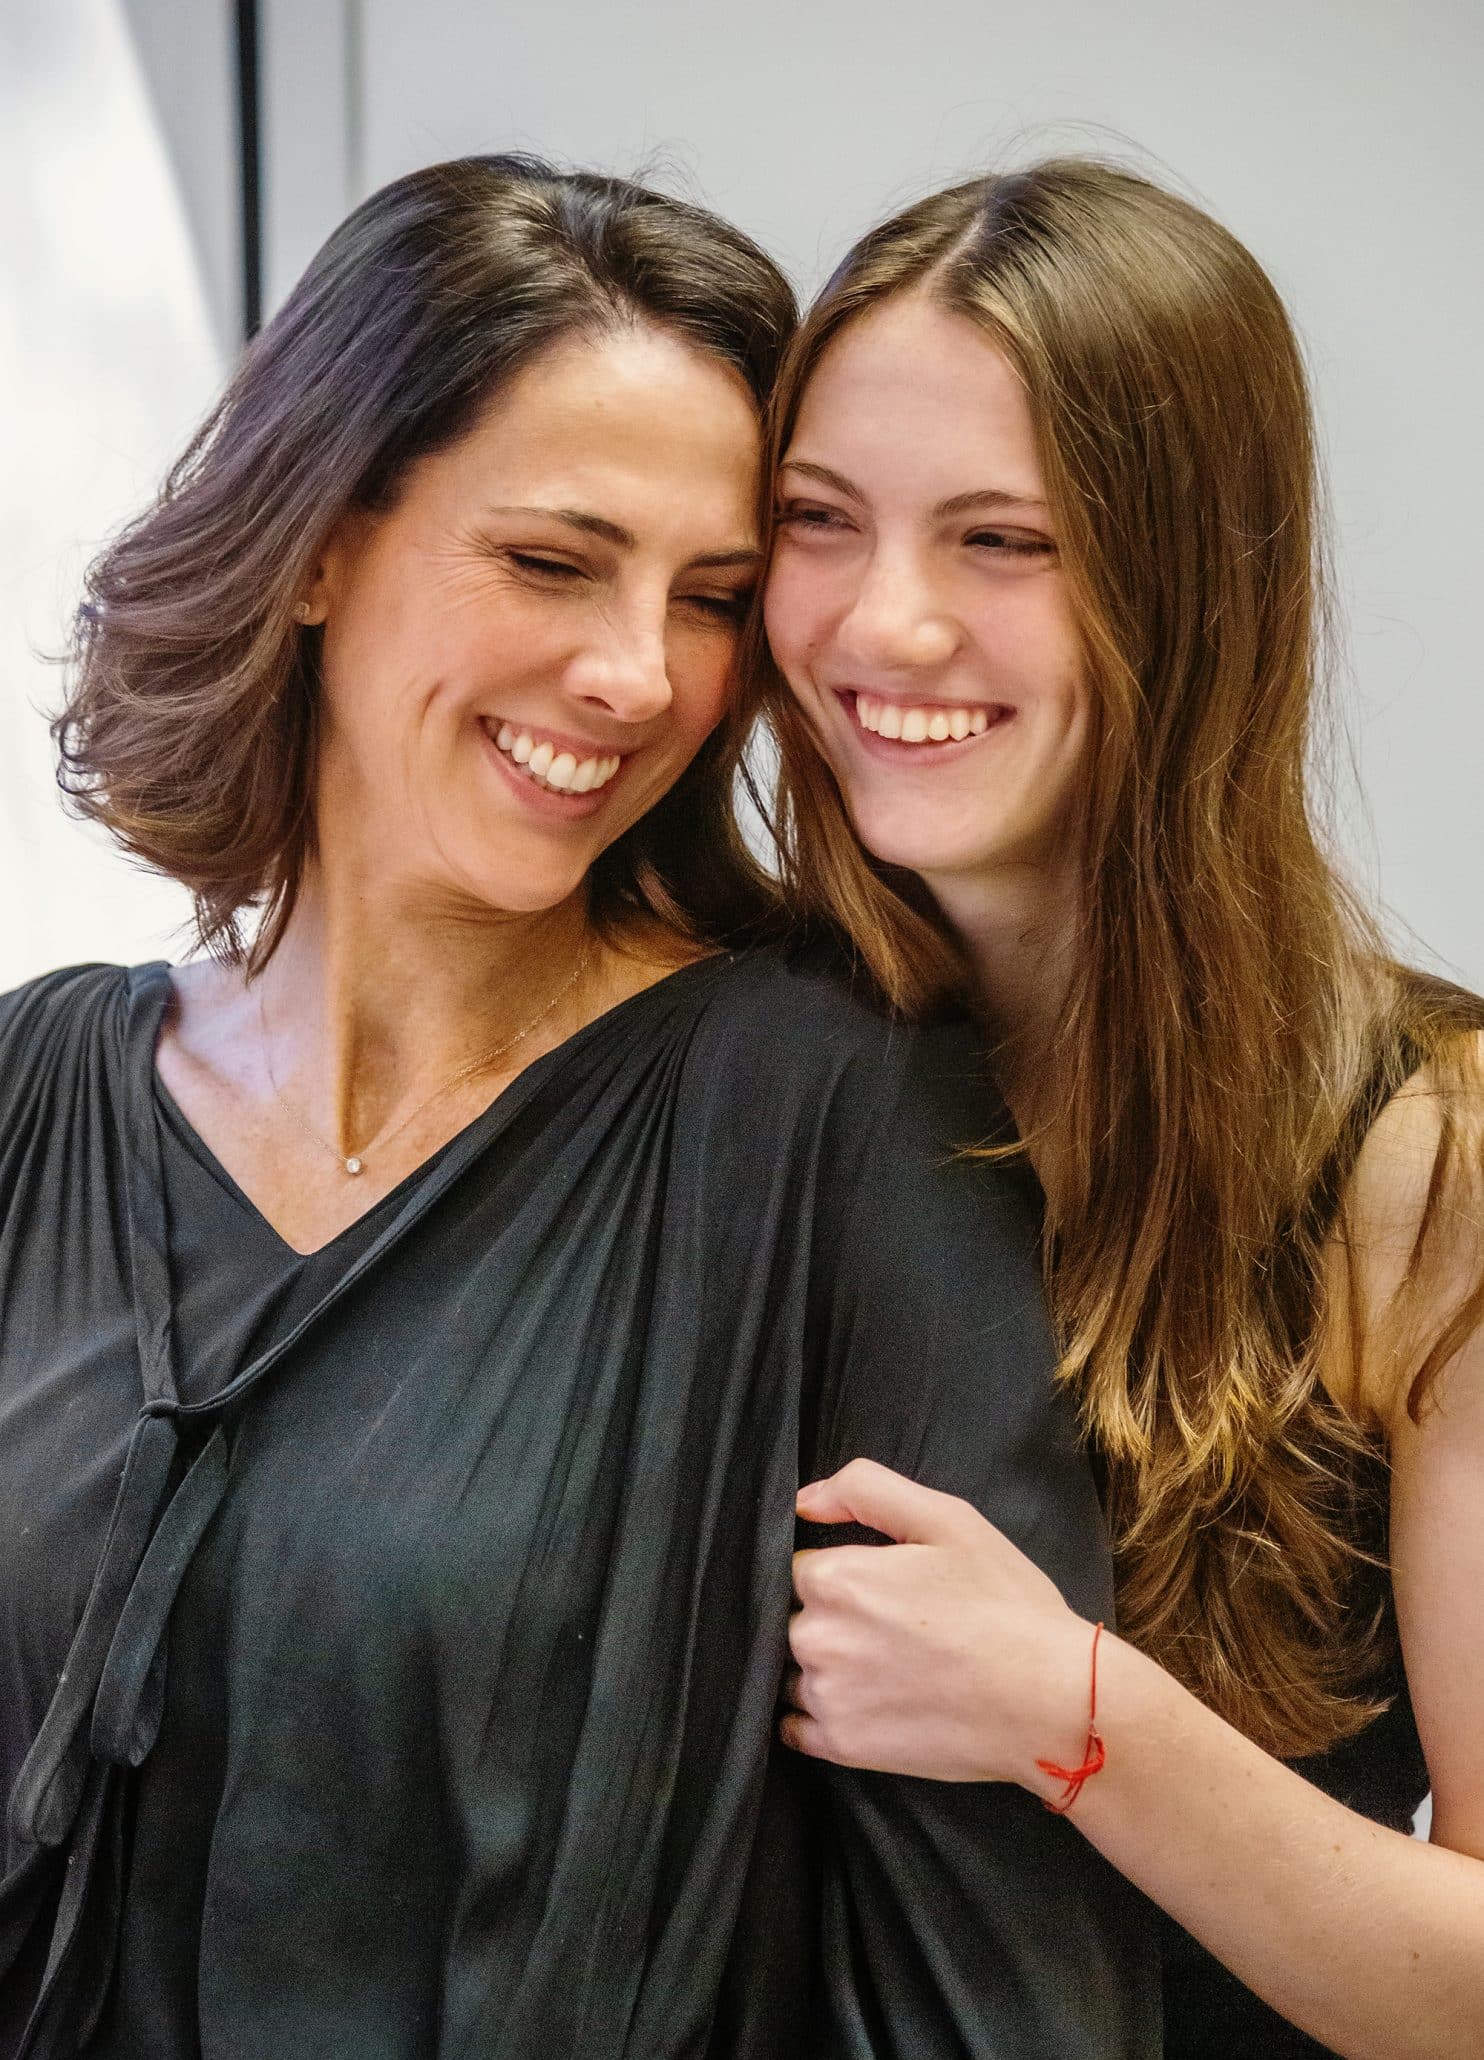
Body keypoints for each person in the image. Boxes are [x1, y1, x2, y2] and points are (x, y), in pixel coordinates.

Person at [0, 156, 1156, 2058]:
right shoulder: (41, 1096)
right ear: (314, 544)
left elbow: (999, 1985)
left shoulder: (829, 1116)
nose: (637, 676)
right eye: (551, 560)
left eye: (711, 597)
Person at [761, 159, 1484, 2059]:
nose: (883, 627)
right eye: (818, 522)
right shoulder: (707, 1064)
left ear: (1197, 583)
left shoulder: (1433, 1161)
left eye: (1005, 542)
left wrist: (1080, 1714)